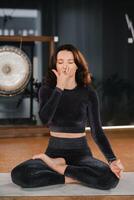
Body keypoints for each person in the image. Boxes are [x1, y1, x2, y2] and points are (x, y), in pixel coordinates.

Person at [11, 44, 124, 190]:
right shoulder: (46, 90)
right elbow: (45, 119)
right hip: (53, 152)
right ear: (55, 66)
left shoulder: (88, 93)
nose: (65, 66)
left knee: (111, 179)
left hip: (81, 154)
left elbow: (97, 132)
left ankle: (58, 168)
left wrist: (112, 160)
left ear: (77, 65)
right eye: (60, 62)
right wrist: (59, 87)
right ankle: (71, 175)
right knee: (20, 175)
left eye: (70, 62)